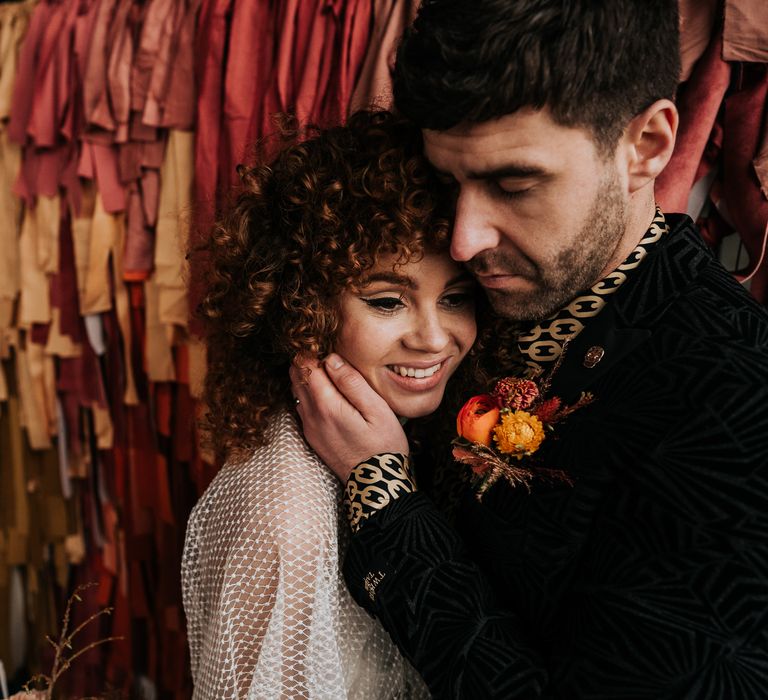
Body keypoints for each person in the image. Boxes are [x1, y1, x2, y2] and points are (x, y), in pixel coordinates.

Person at [290, 1, 768, 697]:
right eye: (448, 182)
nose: (464, 238)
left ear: (647, 146)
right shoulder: (483, 295)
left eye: (513, 184)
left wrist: (384, 497)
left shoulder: (737, 403)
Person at [181, 111, 479, 699]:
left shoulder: (414, 439)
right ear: (304, 304)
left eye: (456, 298)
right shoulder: (287, 518)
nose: (434, 337)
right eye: (388, 300)